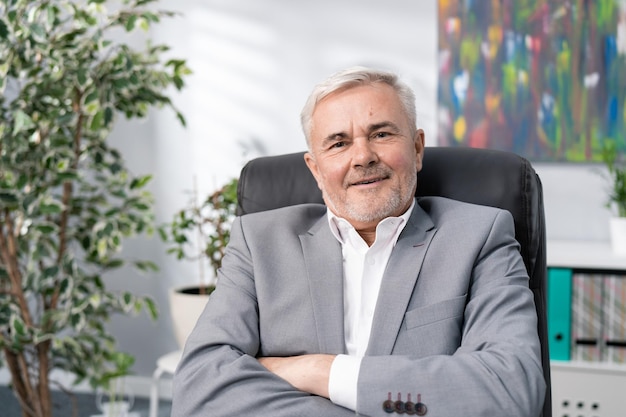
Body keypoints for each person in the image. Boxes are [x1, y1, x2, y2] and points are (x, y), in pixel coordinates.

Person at [171, 66, 546, 417]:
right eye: (338, 143)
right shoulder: (259, 242)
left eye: (381, 134)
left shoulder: (480, 234)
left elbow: (509, 389)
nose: (363, 157)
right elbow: (197, 388)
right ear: (315, 169)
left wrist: (320, 372)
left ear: (417, 149)